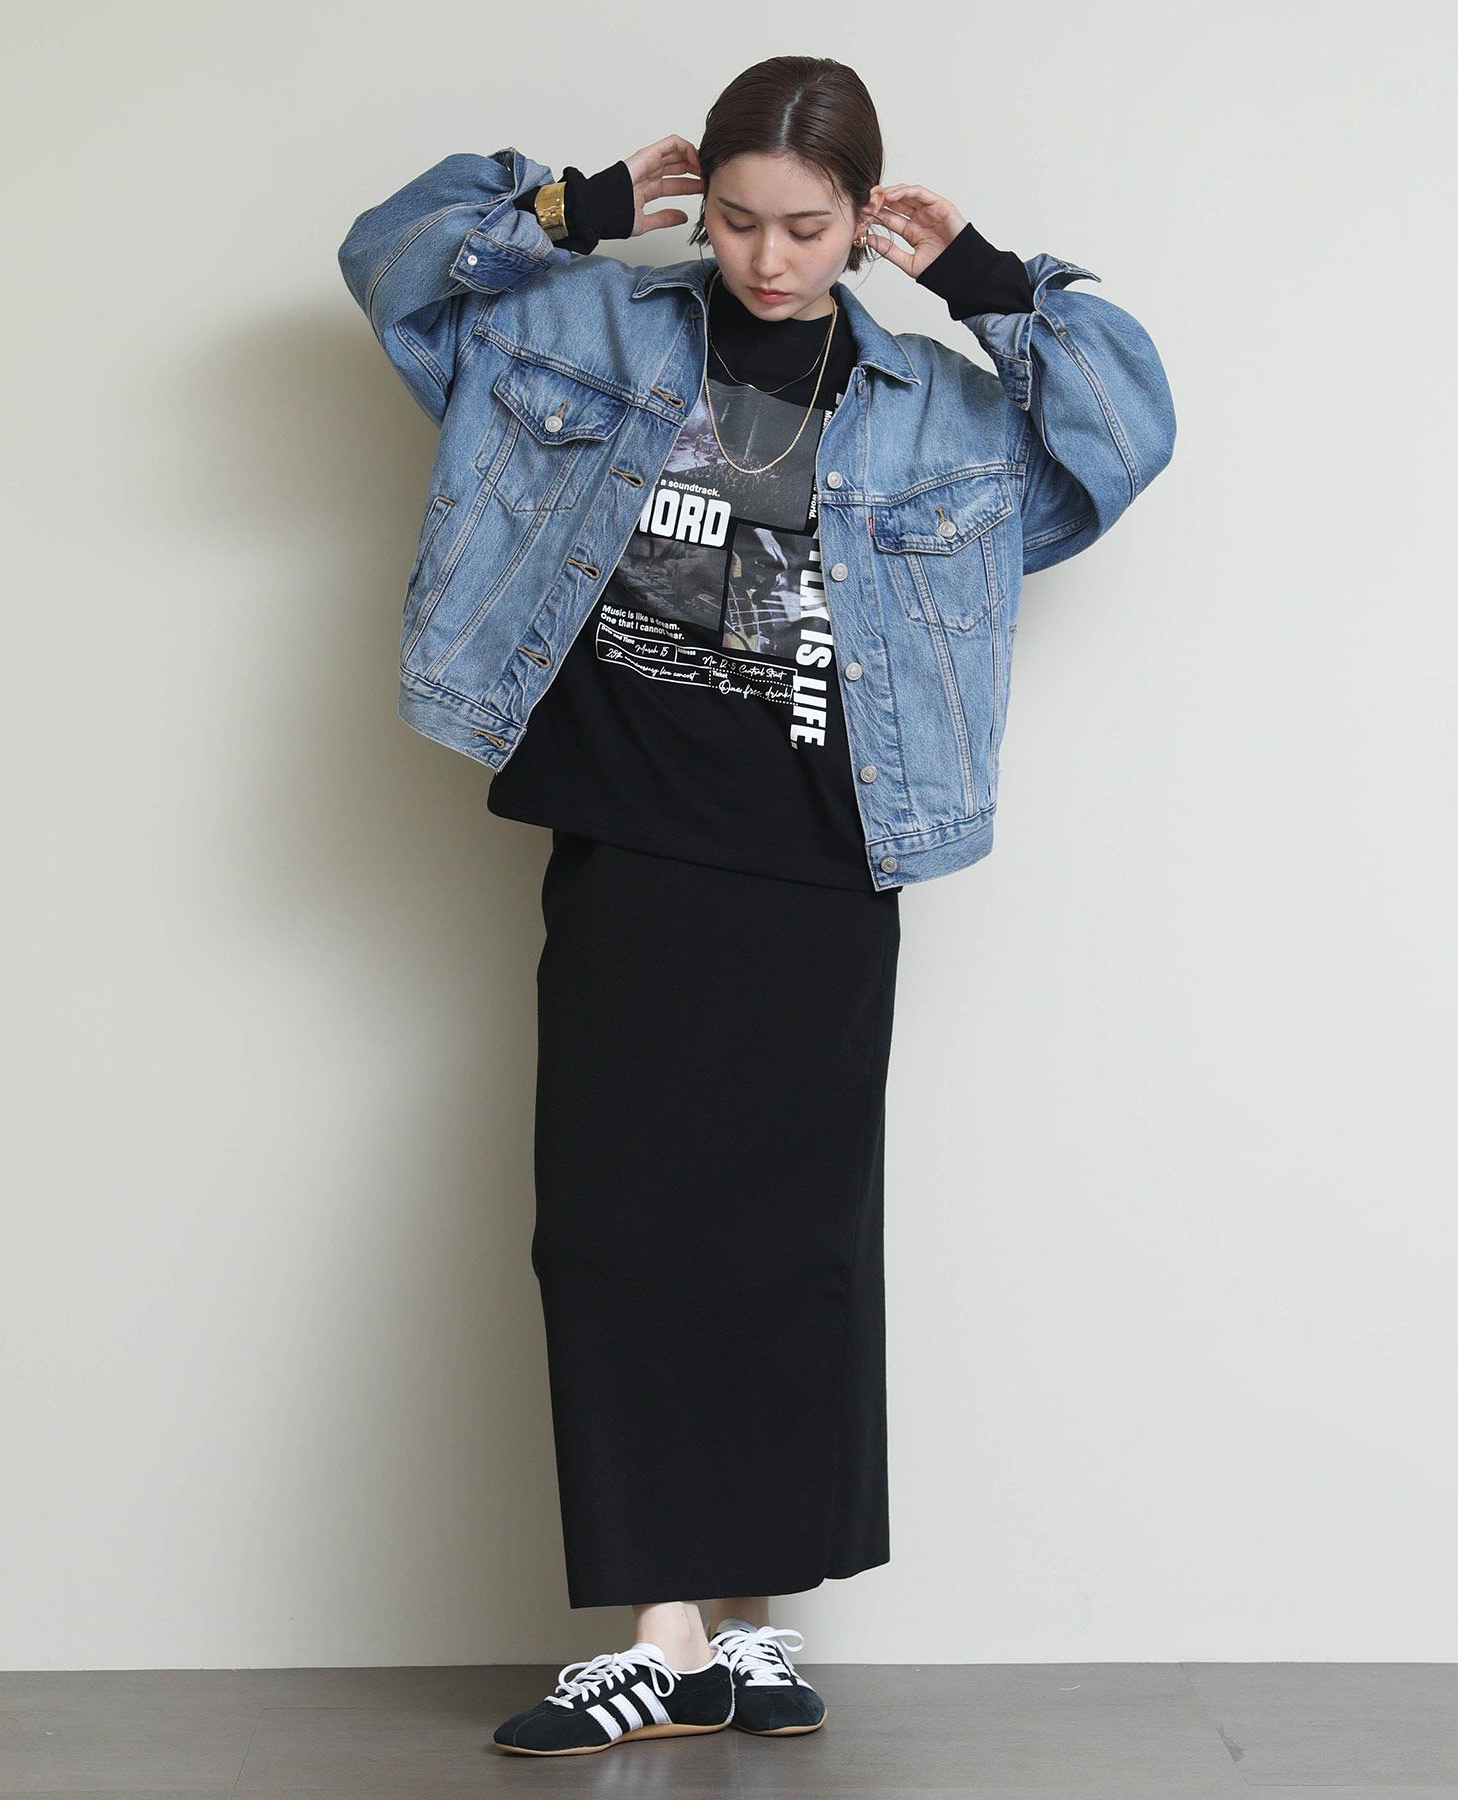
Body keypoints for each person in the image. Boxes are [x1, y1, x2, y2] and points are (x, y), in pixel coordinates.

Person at [336, 55, 1174, 1761]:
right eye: (735, 222)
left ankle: (754, 1628)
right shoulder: (581, 328)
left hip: (825, 856)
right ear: (697, 201)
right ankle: (662, 1638)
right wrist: (571, 206)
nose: (769, 261)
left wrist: (988, 282)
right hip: (634, 835)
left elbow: (1123, 435)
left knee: (794, 1248)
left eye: (807, 228)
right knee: (614, 1231)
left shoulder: (936, 408)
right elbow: (393, 267)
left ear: (867, 221)